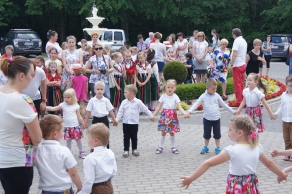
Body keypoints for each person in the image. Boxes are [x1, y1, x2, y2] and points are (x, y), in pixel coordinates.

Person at [180, 115, 287, 192]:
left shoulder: (232, 151)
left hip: (237, 185)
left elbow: (207, 163)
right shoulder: (257, 147)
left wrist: (191, 178)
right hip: (251, 183)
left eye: (230, 129)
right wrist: (281, 174)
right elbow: (269, 163)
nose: (228, 132)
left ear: (240, 133)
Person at [0, 56, 42, 193]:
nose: (32, 79)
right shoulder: (23, 100)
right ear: (22, 75)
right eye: (31, 75)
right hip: (18, 161)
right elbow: (37, 139)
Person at [185, 78, 235, 155]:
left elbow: (224, 105)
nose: (214, 90)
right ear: (207, 88)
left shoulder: (217, 96)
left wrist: (233, 112)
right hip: (207, 119)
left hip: (216, 119)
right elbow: (196, 103)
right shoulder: (203, 96)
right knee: (206, 134)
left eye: (215, 89)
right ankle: (206, 146)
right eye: (213, 89)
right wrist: (189, 111)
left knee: (217, 134)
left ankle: (218, 147)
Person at [34, 115, 82, 194]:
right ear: (55, 134)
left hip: (46, 190)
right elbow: (73, 173)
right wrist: (80, 187)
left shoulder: (37, 150)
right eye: (63, 131)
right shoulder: (64, 151)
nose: (64, 133)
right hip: (64, 190)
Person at [46, 88, 87, 159]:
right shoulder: (63, 105)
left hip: (75, 126)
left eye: (68, 97)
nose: (66, 99)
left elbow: (79, 116)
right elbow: (54, 108)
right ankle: (68, 152)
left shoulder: (76, 106)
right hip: (67, 127)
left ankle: (81, 151)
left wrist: (83, 123)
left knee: (78, 140)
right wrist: (46, 107)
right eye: (65, 97)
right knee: (68, 141)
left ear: (73, 97)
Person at [77, 123, 117, 194]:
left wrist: (83, 192)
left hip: (95, 188)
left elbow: (89, 180)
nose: (87, 140)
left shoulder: (89, 159)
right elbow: (114, 171)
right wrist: (108, 181)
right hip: (108, 185)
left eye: (88, 138)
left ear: (95, 140)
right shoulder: (110, 153)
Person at [116, 84, 153, 158]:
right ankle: (126, 150)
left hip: (134, 123)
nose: (124, 93)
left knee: (134, 136)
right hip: (125, 123)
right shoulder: (124, 102)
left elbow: (145, 109)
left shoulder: (138, 102)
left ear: (132, 93)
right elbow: (120, 112)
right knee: (126, 137)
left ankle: (134, 149)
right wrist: (116, 120)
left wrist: (151, 116)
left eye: (125, 92)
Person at [152, 79, 187, 154]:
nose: (170, 89)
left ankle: (173, 147)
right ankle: (160, 146)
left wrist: (184, 113)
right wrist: (153, 115)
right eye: (168, 87)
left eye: (172, 87)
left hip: (172, 116)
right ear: (165, 88)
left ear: (174, 88)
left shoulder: (175, 97)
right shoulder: (163, 97)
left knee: (172, 132)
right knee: (163, 132)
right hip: (164, 116)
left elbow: (179, 107)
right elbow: (158, 107)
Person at [85, 81, 118, 149]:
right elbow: (89, 111)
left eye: (101, 89)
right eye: (98, 89)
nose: (99, 91)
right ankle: (94, 149)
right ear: (94, 90)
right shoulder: (92, 100)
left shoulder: (106, 100)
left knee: (105, 135)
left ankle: (106, 150)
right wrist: (85, 121)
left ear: (104, 90)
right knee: (95, 135)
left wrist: (114, 119)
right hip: (96, 120)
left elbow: (110, 110)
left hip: (104, 120)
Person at [272, 75, 292, 161]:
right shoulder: (284, 95)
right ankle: (287, 154)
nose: (291, 87)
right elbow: (281, 107)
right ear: (286, 85)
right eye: (290, 85)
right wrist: (276, 114)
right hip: (285, 120)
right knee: (286, 138)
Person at [229, 28, 247, 107]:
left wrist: (232, 64)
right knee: (242, 84)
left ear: (234, 34)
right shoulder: (244, 41)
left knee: (237, 84)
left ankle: (238, 101)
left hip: (237, 64)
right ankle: (243, 100)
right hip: (243, 63)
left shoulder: (236, 41)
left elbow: (235, 53)